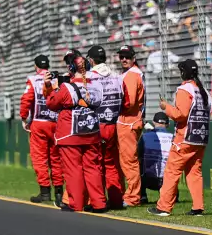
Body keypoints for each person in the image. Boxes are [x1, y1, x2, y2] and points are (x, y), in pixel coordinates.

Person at [44, 50, 107, 212]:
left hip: (71, 133)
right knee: (93, 168)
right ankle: (99, 203)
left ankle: (76, 203)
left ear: (72, 68)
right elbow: (98, 103)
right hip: (91, 132)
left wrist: (51, 88)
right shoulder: (96, 84)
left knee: (73, 170)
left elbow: (52, 103)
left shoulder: (66, 87)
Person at [149, 60, 210, 217]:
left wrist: (165, 107)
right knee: (194, 172)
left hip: (185, 138)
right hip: (200, 139)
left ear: (184, 73)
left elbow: (180, 115)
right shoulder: (205, 92)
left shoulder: (185, 89)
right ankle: (198, 208)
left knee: (171, 171)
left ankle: (164, 207)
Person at [20, 54, 64, 206]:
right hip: (56, 122)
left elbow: (26, 100)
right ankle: (59, 192)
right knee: (56, 159)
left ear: (35, 66)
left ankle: (45, 192)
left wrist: (24, 118)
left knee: (39, 159)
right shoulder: (56, 79)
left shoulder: (33, 80)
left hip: (39, 123)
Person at [85, 45, 124, 208]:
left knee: (94, 164)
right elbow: (124, 98)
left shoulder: (89, 76)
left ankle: (96, 200)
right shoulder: (117, 76)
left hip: (96, 125)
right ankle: (116, 200)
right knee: (111, 163)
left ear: (91, 60)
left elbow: (87, 100)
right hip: (113, 124)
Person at [116, 45, 146, 207]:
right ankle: (129, 194)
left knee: (129, 161)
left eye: (127, 56)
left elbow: (130, 101)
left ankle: (133, 197)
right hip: (130, 121)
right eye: (121, 56)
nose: (124, 59)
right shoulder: (131, 73)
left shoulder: (132, 75)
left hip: (128, 121)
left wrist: (113, 106)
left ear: (134, 58)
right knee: (126, 161)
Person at [138, 112, 172, 204]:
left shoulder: (145, 136)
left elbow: (138, 155)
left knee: (138, 163)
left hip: (146, 180)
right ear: (168, 124)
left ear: (153, 122)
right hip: (167, 180)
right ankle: (171, 196)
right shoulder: (173, 138)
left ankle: (142, 196)